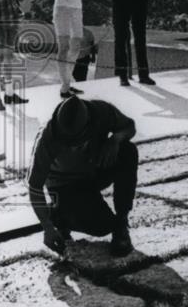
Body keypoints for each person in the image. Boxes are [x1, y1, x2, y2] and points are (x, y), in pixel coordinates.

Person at [26, 95, 138, 257]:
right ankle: (58, 213)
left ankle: (121, 222)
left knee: (127, 151)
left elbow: (129, 126)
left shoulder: (102, 112)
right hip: (66, 185)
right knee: (102, 226)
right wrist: (47, 227)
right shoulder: (47, 137)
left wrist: (115, 139)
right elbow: (34, 186)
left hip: (93, 171)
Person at [49, 0, 86, 99]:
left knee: (76, 46)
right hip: (62, 8)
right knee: (63, 47)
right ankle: (65, 87)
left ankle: (67, 81)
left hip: (76, 7)